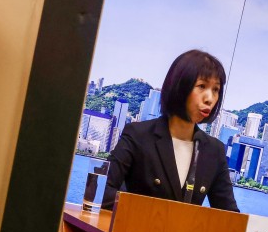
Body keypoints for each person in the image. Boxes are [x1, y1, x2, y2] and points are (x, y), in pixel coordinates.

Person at [102, 49, 238, 212]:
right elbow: (102, 190)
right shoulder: (138, 135)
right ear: (180, 87)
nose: (209, 98)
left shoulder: (214, 150)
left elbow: (230, 217)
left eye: (215, 90)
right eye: (201, 86)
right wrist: (157, 218)